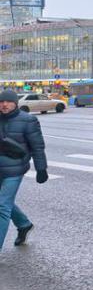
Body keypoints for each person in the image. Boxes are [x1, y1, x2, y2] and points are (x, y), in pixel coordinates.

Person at [0, 89, 48, 251]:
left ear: (15, 103)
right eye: (1, 102)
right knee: (4, 202)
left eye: (8, 101)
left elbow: (37, 146)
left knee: (2, 207)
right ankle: (24, 224)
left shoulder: (28, 120)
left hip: (15, 170)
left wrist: (41, 168)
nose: (4, 105)